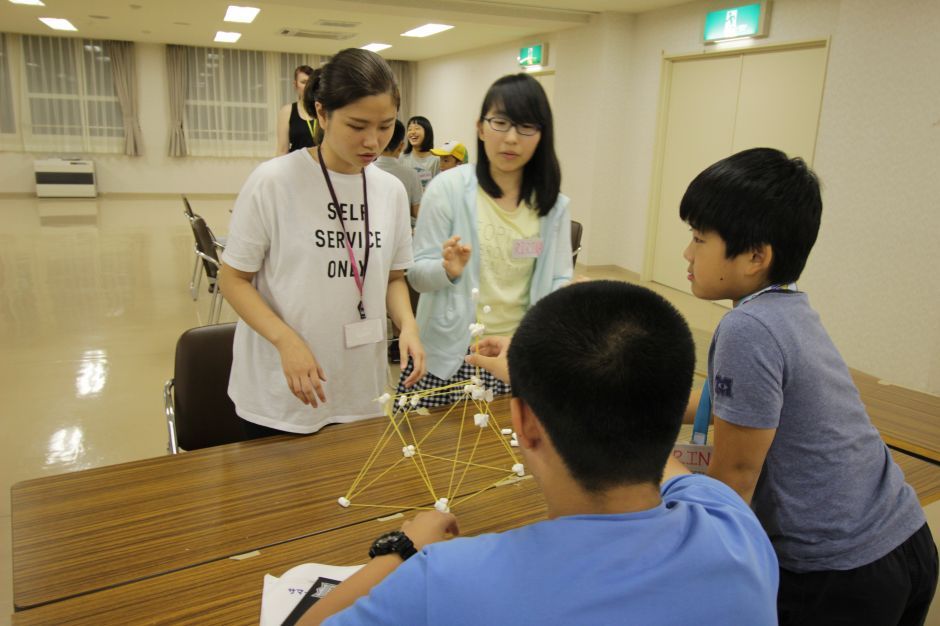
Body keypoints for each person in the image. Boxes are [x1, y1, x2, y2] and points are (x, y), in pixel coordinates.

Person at [298, 281, 780, 625]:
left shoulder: (446, 581)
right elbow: (641, 427)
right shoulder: (735, 526)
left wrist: (404, 550)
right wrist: (540, 385)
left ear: (523, 424)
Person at [678, 147, 937, 625]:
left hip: (839, 573)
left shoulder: (746, 328)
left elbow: (734, 478)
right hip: (905, 540)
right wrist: (648, 405)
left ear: (756, 256)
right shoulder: (788, 309)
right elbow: (743, 410)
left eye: (698, 238)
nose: (687, 254)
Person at [219, 48, 426, 437]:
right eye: (357, 125)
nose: (372, 141)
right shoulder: (273, 181)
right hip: (282, 390)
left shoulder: (390, 190)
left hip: (360, 390)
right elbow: (234, 280)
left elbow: (394, 278)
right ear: (322, 113)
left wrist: (408, 325)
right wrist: (286, 341)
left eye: (385, 126)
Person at [399, 73, 572, 406]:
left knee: (507, 454)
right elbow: (417, 276)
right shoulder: (447, 190)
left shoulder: (552, 205)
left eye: (526, 127)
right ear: (480, 128)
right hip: (451, 354)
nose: (511, 138)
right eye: (500, 123)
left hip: (517, 352)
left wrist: (569, 293)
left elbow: (558, 278)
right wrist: (447, 270)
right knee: (432, 452)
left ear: (541, 135)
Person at [372, 119, 422, 222]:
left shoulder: (362, 171)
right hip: (400, 233)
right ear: (401, 146)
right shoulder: (411, 174)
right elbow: (417, 211)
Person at [276, 64, 320, 154]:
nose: (307, 86)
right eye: (303, 82)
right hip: (296, 165)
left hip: (320, 165)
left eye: (310, 82)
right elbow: (282, 150)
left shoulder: (323, 110)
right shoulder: (287, 111)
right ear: (295, 85)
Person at [398, 115, 440, 189]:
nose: (412, 132)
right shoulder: (402, 157)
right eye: (410, 129)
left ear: (427, 132)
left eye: (417, 128)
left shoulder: (436, 159)